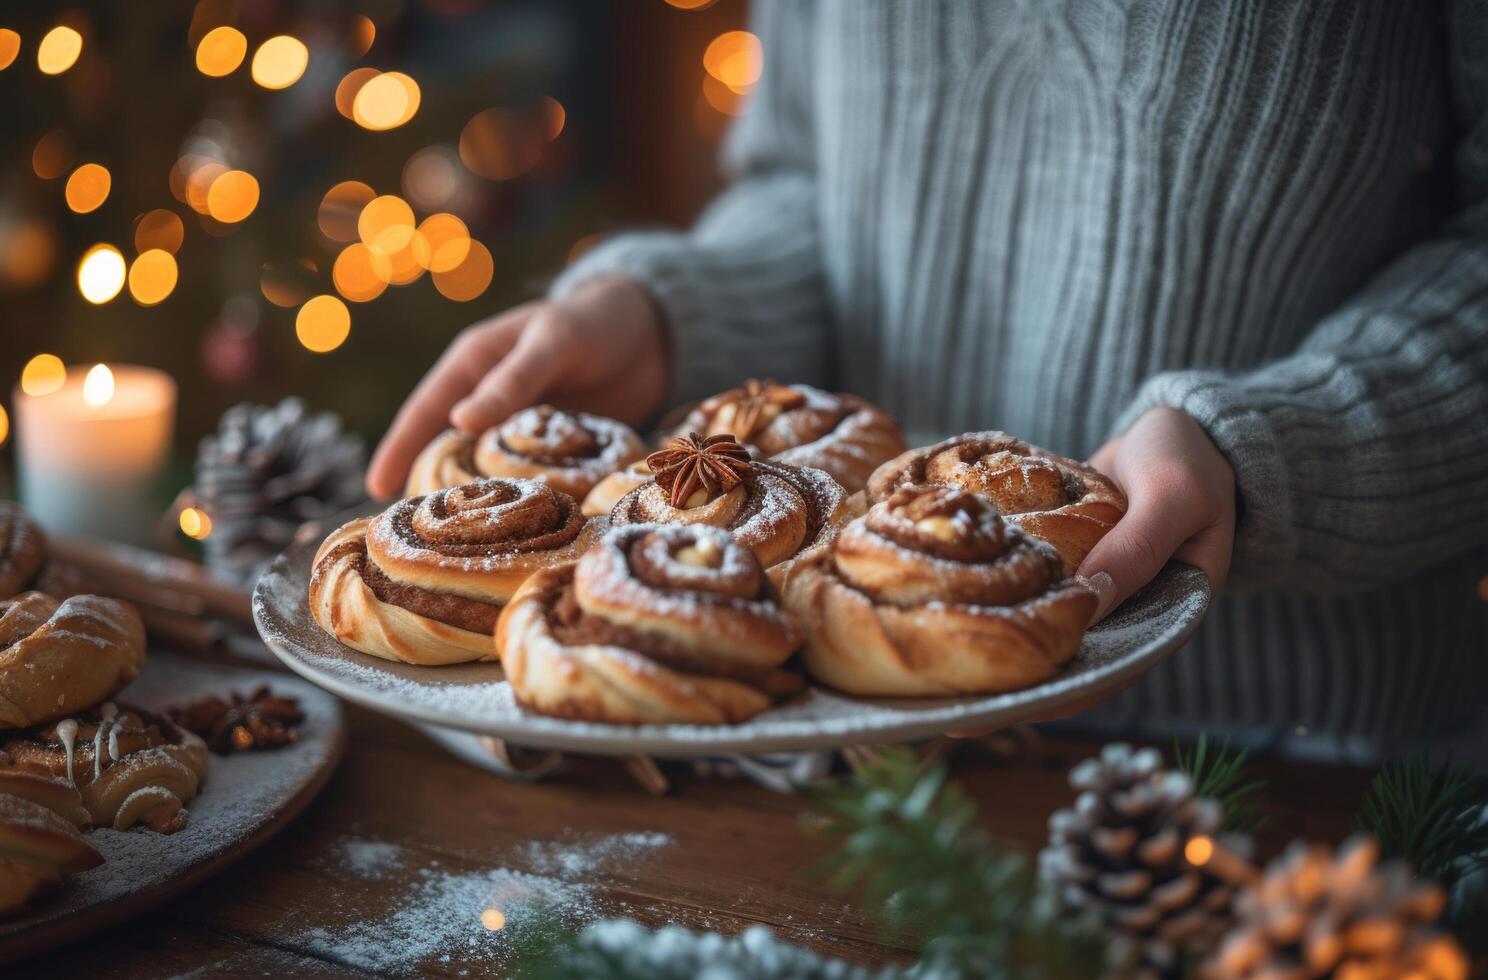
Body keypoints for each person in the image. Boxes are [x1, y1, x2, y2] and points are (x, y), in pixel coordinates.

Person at [367, 1, 1488, 749]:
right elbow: (811, 179)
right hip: (839, 764)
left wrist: (1273, 449)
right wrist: (676, 307)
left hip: (1295, 771)